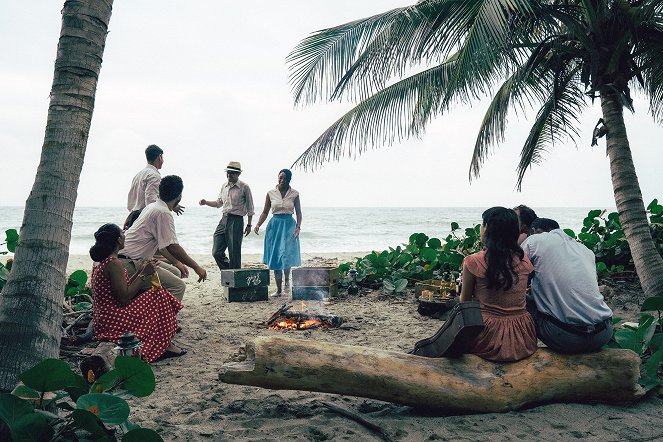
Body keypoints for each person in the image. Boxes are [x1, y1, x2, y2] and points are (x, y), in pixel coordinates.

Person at [89, 224, 186, 362]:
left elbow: (122, 288)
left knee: (157, 294)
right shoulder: (113, 262)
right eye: (123, 234)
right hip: (113, 318)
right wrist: (144, 275)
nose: (125, 236)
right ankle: (165, 345)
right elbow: (124, 297)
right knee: (159, 295)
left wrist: (141, 271)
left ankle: (164, 342)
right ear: (118, 240)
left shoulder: (105, 261)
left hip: (105, 317)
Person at [522, 217, 613, 353]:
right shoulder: (585, 250)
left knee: (517, 298)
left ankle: (522, 352)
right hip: (603, 333)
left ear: (535, 230)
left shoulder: (534, 240)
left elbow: (513, 271)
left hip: (565, 337)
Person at [459, 207, 538, 362]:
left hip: (489, 338)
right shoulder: (524, 260)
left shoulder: (473, 261)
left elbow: (464, 303)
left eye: (482, 225)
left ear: (487, 228)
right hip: (523, 338)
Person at [120, 175, 207, 301]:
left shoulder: (152, 207)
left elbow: (164, 245)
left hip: (130, 258)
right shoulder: (163, 212)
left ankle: (152, 309)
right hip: (130, 263)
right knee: (178, 286)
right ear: (179, 196)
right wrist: (196, 267)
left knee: (176, 272)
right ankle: (163, 320)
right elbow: (173, 247)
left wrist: (177, 263)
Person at [254, 169, 302, 296]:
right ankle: (279, 290)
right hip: (274, 226)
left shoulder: (295, 194)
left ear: (289, 180)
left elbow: (298, 213)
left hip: (289, 226)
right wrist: (258, 224)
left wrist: (298, 228)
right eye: (280, 178)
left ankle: (287, 282)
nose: (281, 180)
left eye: (284, 178)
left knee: (286, 256)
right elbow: (265, 212)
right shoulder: (271, 193)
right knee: (276, 257)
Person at [199, 161, 254, 270]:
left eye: (232, 173)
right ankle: (231, 273)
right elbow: (218, 203)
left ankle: (234, 279)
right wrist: (206, 202)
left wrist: (249, 225)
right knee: (216, 252)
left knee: (234, 254)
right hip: (224, 219)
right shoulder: (224, 186)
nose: (229, 175)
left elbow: (250, 208)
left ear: (238, 174)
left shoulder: (244, 187)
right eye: (228, 173)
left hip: (236, 220)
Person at [125, 144, 183, 230]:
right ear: (159, 157)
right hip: (144, 220)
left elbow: (131, 201)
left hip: (133, 218)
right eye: (162, 158)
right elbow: (151, 202)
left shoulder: (139, 174)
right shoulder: (154, 175)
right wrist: (172, 205)